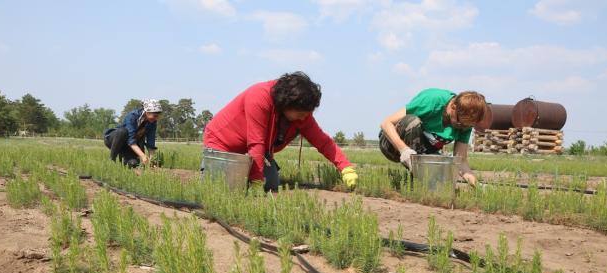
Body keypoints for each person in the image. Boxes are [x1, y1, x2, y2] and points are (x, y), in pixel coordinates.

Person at [203, 71, 358, 191]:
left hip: (256, 147)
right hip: (223, 143)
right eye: (301, 113)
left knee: (270, 184)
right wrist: (256, 180)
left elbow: (322, 141)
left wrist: (345, 167)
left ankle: (250, 177)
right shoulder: (259, 96)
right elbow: (256, 142)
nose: (304, 118)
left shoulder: (301, 115)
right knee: (223, 187)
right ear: (287, 103)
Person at [379, 89, 487, 186]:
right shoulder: (432, 101)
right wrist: (404, 150)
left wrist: (478, 186)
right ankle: (417, 180)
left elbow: (461, 161)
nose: (462, 127)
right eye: (460, 123)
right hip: (392, 145)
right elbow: (386, 123)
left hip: (421, 152)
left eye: (466, 126)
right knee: (412, 121)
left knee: (443, 172)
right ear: (453, 106)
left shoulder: (465, 124)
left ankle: (419, 182)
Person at [104, 99, 162, 168]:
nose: (156, 118)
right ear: (147, 112)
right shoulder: (132, 116)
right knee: (122, 131)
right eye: (155, 116)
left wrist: (152, 161)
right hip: (114, 139)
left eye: (158, 116)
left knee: (134, 164)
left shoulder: (152, 123)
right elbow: (131, 141)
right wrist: (142, 155)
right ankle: (111, 160)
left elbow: (151, 143)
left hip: (127, 146)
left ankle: (123, 159)